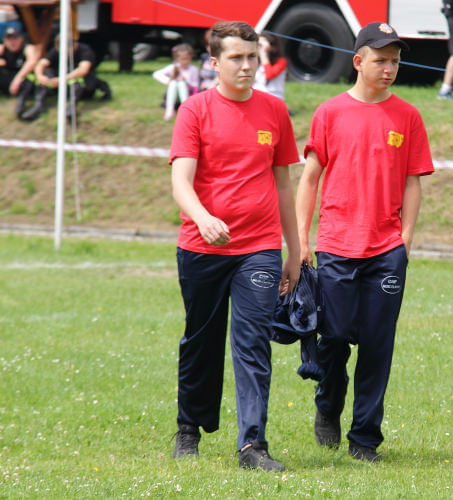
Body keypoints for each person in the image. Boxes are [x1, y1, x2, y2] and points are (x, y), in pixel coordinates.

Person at [296, 22, 434, 463]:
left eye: (395, 60)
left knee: (378, 344)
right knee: (333, 338)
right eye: (381, 60)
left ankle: (365, 439)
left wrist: (405, 238)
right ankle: (328, 404)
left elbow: (413, 182)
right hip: (336, 245)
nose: (390, 68)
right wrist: (301, 238)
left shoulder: (408, 116)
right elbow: (310, 179)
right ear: (358, 62)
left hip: (386, 250)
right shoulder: (329, 112)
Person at [169, 20, 301, 472]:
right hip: (201, 246)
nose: (247, 66)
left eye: (252, 57)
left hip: (258, 248)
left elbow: (284, 185)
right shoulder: (194, 110)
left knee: (252, 344)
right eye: (236, 58)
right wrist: (203, 218)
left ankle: (252, 446)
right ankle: (189, 426)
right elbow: (180, 181)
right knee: (201, 341)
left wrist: (296, 250)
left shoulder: (275, 111)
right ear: (214, 63)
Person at [20, 35, 110, 121]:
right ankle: (39, 105)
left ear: (74, 45)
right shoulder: (56, 50)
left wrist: (61, 80)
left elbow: (83, 70)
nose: (62, 53)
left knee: (77, 80)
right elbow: (41, 64)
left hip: (83, 86)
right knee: (46, 72)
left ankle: (71, 109)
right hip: (62, 85)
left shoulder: (85, 50)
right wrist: (40, 76)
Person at [153, 43, 200, 120]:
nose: (185, 61)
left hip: (188, 95)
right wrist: (168, 81)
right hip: (174, 93)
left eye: (187, 58)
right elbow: (156, 74)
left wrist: (186, 81)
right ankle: (169, 110)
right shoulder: (174, 67)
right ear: (177, 59)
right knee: (174, 83)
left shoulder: (193, 69)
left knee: (181, 83)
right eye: (183, 59)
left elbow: (196, 86)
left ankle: (186, 109)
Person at [0, 27, 38, 117]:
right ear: (4, 41)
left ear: (22, 39)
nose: (12, 42)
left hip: (24, 81)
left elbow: (32, 61)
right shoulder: (3, 49)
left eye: (15, 39)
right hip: (9, 80)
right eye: (9, 39)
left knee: (29, 79)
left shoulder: (27, 47)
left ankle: (21, 103)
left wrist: (18, 79)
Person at [253, 32, 287, 101]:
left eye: (261, 45)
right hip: (256, 96)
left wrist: (263, 54)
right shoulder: (255, 61)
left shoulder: (281, 61)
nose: (259, 48)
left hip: (274, 97)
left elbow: (269, 74)